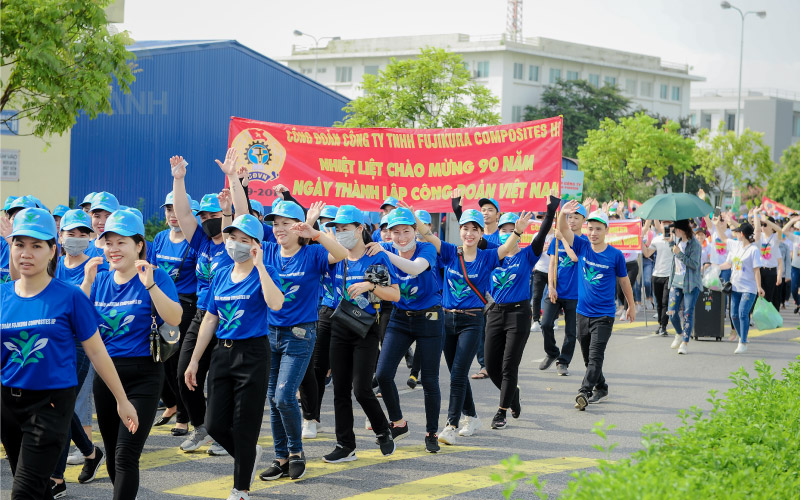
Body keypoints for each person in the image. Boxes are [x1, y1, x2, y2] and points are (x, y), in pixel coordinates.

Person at [1, 208, 137, 500]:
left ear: (53, 250)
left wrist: (122, 400)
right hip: (7, 405)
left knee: (23, 493)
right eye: (19, 244)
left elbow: (97, 351)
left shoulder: (70, 296)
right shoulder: (2, 296)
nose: (26, 253)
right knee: (35, 489)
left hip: (50, 405)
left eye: (36, 245)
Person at [78, 209, 181, 499]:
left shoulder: (155, 275)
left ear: (138, 245)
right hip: (107, 377)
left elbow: (174, 317)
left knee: (125, 454)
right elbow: (75, 322)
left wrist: (150, 285)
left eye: (121, 242)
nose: (113, 249)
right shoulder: (98, 280)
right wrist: (86, 283)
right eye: (108, 243)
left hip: (144, 377)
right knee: (112, 453)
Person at [185, 214, 284, 500]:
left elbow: (275, 303)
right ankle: (249, 455)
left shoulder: (265, 271)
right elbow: (209, 320)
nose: (237, 245)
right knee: (214, 423)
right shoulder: (221, 274)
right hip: (221, 354)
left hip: (252, 354)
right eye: (233, 238)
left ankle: (240, 489)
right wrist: (194, 360)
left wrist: (261, 265)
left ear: (256, 244)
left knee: (244, 425)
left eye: (245, 240)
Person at [257, 200, 347, 481]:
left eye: (286, 224)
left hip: (300, 334)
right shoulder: (268, 251)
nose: (279, 229)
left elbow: (342, 253)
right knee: (273, 399)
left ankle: (296, 452)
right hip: (269, 334)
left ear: (299, 228)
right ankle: (280, 457)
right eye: (275, 224)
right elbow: (241, 219)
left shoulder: (313, 254)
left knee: (284, 396)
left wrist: (316, 232)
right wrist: (236, 181)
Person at [416, 208, 520, 443]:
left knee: (458, 374)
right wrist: (413, 217)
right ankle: (471, 416)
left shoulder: (488, 257)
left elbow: (505, 248)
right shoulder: (451, 252)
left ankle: (451, 425)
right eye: (465, 228)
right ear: (460, 231)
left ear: (482, 233)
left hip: (472, 321)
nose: (470, 233)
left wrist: (519, 231)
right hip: (447, 320)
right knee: (456, 373)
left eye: (475, 229)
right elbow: (428, 236)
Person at [169, 154, 237, 453]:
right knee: (186, 373)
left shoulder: (237, 243)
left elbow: (239, 214)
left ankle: (226, 432)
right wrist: (179, 179)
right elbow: (184, 215)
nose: (209, 221)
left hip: (230, 319)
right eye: (205, 217)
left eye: (214, 216)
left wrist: (234, 189)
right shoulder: (202, 243)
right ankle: (201, 427)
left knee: (222, 381)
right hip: (201, 315)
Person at [321, 205, 400, 462]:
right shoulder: (336, 258)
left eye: (346, 228)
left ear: (359, 229)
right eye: (337, 229)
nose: (341, 233)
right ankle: (345, 445)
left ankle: (382, 431)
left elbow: (395, 294)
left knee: (362, 389)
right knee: (340, 390)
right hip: (339, 326)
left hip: (366, 329)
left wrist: (371, 286)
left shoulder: (376, 256)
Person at [366, 206, 444, 453]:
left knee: (430, 380)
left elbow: (415, 268)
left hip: (430, 318)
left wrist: (385, 254)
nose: (400, 237)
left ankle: (432, 431)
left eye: (406, 231)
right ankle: (398, 422)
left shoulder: (426, 248)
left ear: (415, 232)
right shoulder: (385, 248)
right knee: (384, 374)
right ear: (387, 233)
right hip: (400, 318)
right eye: (395, 232)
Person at [484, 195, 559, 429]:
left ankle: (502, 411)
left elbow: (545, 229)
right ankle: (512, 395)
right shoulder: (490, 254)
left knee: (509, 366)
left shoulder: (528, 254)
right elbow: (472, 232)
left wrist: (552, 207)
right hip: (495, 313)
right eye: (504, 229)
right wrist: (458, 209)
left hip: (518, 315)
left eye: (512, 228)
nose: (508, 232)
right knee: (491, 365)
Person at [50, 209, 111, 494]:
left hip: (80, 344)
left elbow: (84, 310)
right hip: (51, 343)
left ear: (90, 237)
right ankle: (90, 452)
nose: (75, 239)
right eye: (69, 234)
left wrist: (87, 280)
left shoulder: (98, 267)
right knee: (59, 407)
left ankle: (56, 480)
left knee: (60, 409)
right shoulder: (53, 264)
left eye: (81, 234)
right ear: (59, 236)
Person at [558, 201, 635, 411]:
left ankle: (584, 392)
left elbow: (624, 281)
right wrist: (563, 214)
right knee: (588, 359)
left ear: (606, 231)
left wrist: (631, 305)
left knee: (595, 357)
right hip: (582, 314)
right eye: (590, 228)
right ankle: (601, 387)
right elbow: (563, 230)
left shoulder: (615, 256)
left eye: (598, 229)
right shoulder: (582, 246)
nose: (593, 233)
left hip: (604, 315)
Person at [150, 192, 198, 439]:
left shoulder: (194, 241)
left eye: (176, 209)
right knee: (161, 359)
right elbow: (151, 270)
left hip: (186, 305)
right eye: (168, 209)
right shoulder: (159, 238)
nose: (172, 214)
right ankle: (172, 404)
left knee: (178, 362)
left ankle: (184, 417)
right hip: (160, 303)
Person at [299, 203, 337, 440]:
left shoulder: (357, 249)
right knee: (316, 368)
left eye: (335, 224)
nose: (330, 228)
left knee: (351, 377)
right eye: (325, 223)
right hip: (321, 313)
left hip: (352, 315)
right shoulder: (312, 248)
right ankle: (311, 418)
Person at [540, 203, 588, 376]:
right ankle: (552, 352)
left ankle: (563, 361)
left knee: (571, 331)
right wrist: (551, 287)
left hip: (575, 294)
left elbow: (575, 258)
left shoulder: (584, 241)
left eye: (576, 217)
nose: (572, 221)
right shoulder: (556, 239)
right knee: (545, 324)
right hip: (556, 291)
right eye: (570, 217)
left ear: (584, 220)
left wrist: (564, 239)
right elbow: (552, 263)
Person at [718, 221, 764, 354]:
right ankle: (742, 336)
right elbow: (728, 263)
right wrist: (715, 267)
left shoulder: (753, 250)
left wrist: (759, 287)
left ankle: (742, 342)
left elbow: (756, 270)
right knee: (734, 315)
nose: (735, 234)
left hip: (749, 288)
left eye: (737, 232)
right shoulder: (736, 246)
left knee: (743, 313)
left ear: (742, 234)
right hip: (735, 287)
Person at [665, 220, 702, 355]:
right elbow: (675, 254)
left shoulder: (695, 245)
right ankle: (679, 333)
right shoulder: (678, 242)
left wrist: (679, 253)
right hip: (676, 281)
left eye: (674, 230)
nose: (674, 233)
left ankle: (685, 342)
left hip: (690, 283)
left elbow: (694, 264)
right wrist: (670, 243)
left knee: (687, 312)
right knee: (671, 311)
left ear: (680, 230)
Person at [642, 220, 674, 336]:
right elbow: (647, 254)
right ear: (660, 226)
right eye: (664, 224)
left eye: (669, 224)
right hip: (657, 274)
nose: (666, 226)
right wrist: (640, 241)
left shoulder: (675, 239)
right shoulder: (656, 239)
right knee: (659, 302)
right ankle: (660, 324)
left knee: (666, 301)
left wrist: (672, 241)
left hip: (669, 275)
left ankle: (664, 326)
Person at [757, 214, 784, 312]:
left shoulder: (775, 238)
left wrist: (779, 275)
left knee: (768, 297)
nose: (763, 227)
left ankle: (769, 317)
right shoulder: (760, 236)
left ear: (771, 226)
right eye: (762, 225)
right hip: (760, 270)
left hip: (771, 272)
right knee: (759, 295)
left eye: (765, 225)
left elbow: (780, 230)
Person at [781, 215, 800, 314]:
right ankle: (798, 302)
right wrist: (792, 220)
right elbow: (783, 230)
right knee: (793, 289)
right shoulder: (796, 238)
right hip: (795, 267)